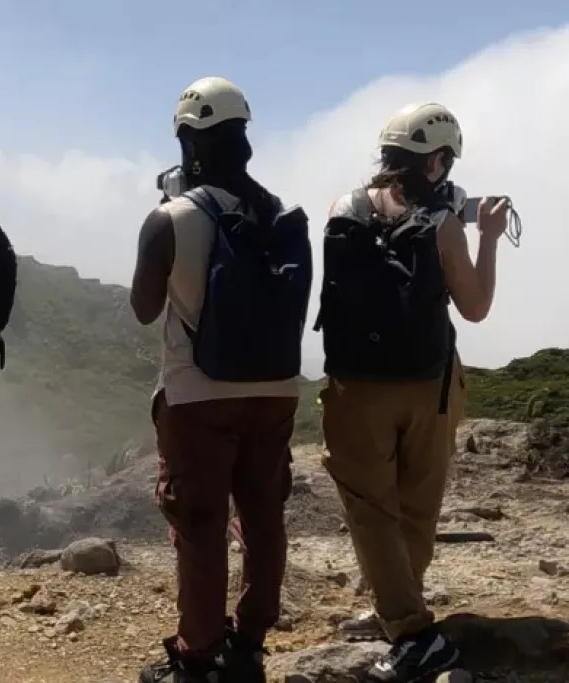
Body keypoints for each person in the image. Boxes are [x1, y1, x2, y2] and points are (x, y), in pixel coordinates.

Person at [315, 101, 508, 682]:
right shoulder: (446, 224)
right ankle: (416, 635)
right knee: (416, 507)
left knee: (371, 510)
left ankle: (400, 615)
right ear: (436, 160)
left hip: (354, 386)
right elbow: (474, 308)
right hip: (429, 384)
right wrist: (490, 238)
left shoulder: (340, 209)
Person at [131, 76, 311, 683]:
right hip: (277, 389)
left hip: (198, 394)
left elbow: (144, 307)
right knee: (264, 516)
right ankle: (250, 645)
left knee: (201, 525)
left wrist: (166, 218)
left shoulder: (171, 218)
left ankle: (198, 655)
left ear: (187, 141)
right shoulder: (284, 216)